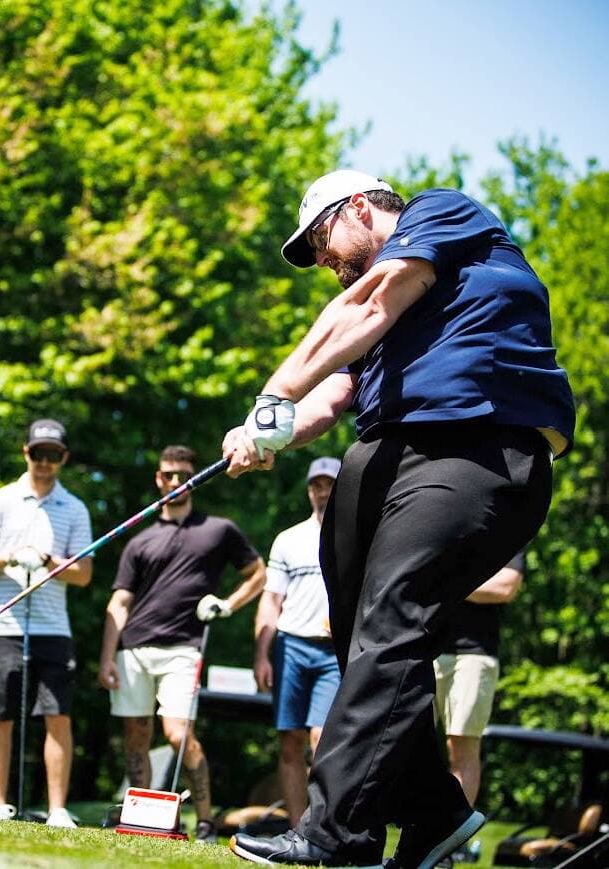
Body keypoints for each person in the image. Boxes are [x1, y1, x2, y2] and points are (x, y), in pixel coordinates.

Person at [221, 170, 574, 868]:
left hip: (477, 446)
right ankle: (437, 814)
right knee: (360, 638)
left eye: (321, 240)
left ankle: (337, 833)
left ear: (360, 207)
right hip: (383, 454)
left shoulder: (441, 219)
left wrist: (273, 390)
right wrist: (265, 431)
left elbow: (367, 304)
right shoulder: (386, 316)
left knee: (392, 621)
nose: (322, 261)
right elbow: (329, 398)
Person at [99, 444, 267, 844]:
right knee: (137, 735)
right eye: (168, 475)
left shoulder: (218, 530)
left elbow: (258, 573)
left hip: (184, 648)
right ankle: (140, 814)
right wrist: (106, 657)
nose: (175, 482)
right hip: (134, 648)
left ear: (193, 479)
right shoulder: (140, 541)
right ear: (159, 478)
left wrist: (227, 605)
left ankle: (206, 821)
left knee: (177, 733)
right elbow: (120, 602)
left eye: (182, 475)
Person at [0, 419, 93, 827]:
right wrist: (11, 556)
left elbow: (84, 573)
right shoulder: (1, 499)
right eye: (38, 453)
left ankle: (57, 809)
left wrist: (50, 562)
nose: (44, 462)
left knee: (57, 716)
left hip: (53, 628)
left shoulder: (74, 508)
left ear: (63, 458)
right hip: (3, 624)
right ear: (26, 453)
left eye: (52, 455)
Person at [253, 456, 342, 828]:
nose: (322, 492)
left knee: (323, 739)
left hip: (334, 652)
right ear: (309, 490)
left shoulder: (358, 535)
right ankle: (295, 828)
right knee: (289, 740)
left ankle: (320, 825)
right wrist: (261, 654)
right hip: (291, 646)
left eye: (330, 485)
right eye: (316, 485)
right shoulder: (288, 539)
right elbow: (271, 599)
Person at [435, 549, 526, 807]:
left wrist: (448, 585)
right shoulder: (439, 527)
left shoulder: (504, 530)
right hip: (425, 650)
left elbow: (506, 586)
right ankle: (418, 828)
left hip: (473, 654)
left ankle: (452, 838)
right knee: (408, 745)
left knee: (461, 747)